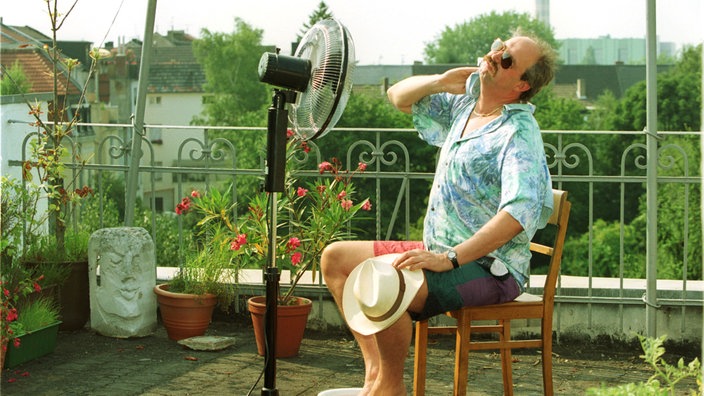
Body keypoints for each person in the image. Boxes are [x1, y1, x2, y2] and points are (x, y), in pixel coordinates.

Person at [320, 32, 558, 395]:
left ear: (522, 84)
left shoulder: (518, 133)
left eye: (507, 60)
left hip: (487, 268)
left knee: (388, 283)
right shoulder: (465, 106)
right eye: (500, 48)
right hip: (437, 251)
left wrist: (450, 258)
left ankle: (389, 387)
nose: (496, 56)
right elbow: (396, 96)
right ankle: (375, 375)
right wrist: (438, 82)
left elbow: (517, 214)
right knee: (336, 258)